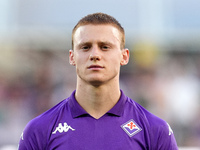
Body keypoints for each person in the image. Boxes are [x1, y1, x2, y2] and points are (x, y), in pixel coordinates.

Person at [18, 12, 178, 150]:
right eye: (85, 47)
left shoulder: (155, 130)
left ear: (124, 56)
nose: (95, 55)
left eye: (105, 47)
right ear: (72, 57)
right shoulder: (39, 130)